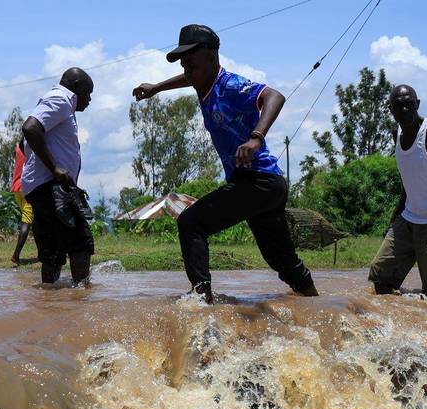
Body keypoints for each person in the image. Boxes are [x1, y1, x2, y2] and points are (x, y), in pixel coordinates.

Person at [133, 24, 318, 303]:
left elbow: (274, 96)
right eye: (184, 65)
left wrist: (256, 137)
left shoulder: (230, 85)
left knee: (191, 222)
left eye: (191, 64)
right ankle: (316, 304)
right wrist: (156, 88)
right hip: (263, 185)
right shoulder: (201, 82)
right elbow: (187, 80)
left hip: (259, 181)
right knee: (280, 259)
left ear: (211, 58)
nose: (187, 71)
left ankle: (201, 301)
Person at [368, 84, 427, 298]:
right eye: (399, 106)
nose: (405, 110)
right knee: (381, 277)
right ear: (391, 110)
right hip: (407, 220)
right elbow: (407, 182)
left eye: (409, 104)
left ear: (417, 104)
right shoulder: (396, 134)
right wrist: (394, 218)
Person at [21, 67, 95, 286]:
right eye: (88, 93)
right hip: (52, 186)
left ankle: (50, 300)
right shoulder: (61, 100)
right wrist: (55, 168)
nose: (89, 99)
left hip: (40, 187)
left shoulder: (57, 103)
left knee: (52, 249)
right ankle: (81, 297)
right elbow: (30, 128)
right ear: (77, 87)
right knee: (80, 242)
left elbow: (28, 139)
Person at [9, 142, 33, 267]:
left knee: (33, 220)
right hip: (27, 187)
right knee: (27, 222)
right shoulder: (34, 146)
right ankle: (16, 255)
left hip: (16, 188)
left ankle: (43, 251)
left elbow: (16, 157)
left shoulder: (18, 146)